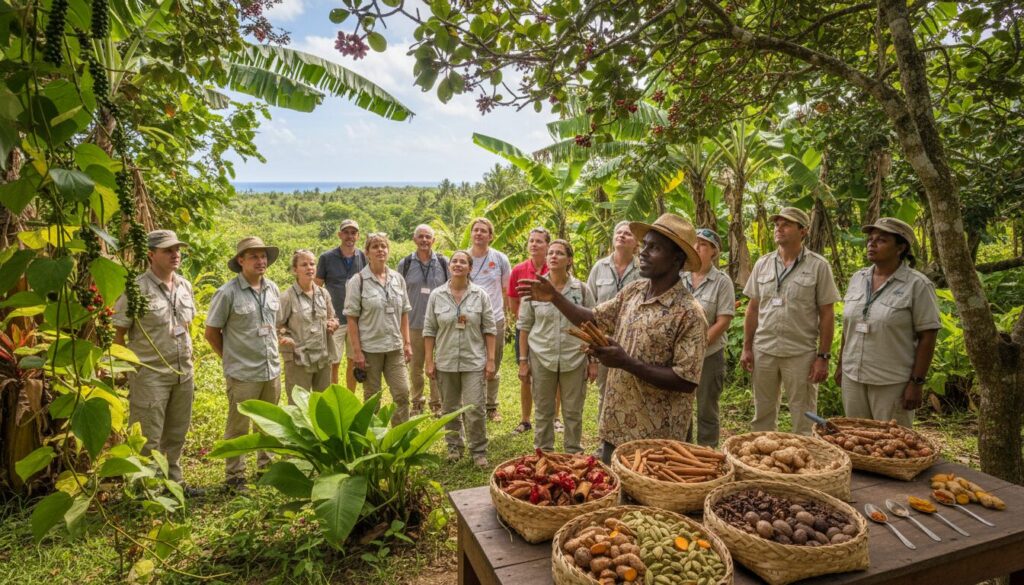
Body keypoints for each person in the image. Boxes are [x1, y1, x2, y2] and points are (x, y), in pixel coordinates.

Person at [518, 213, 708, 464]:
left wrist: (626, 362)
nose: (644, 252)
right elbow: (594, 318)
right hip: (615, 425)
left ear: (676, 259)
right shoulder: (634, 291)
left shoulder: (689, 312)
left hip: (655, 438)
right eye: (645, 245)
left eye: (655, 248)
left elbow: (686, 380)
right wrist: (555, 297)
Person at [740, 207, 840, 435]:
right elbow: (753, 308)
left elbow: (827, 314)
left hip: (800, 353)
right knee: (762, 414)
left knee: (804, 415)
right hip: (764, 350)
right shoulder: (762, 264)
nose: (779, 229)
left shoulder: (818, 266)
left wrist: (823, 357)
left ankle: (805, 462)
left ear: (803, 231)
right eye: (777, 224)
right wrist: (747, 347)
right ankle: (761, 460)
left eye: (786, 224)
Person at [836, 218, 940, 427]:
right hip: (853, 376)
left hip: (891, 382)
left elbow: (927, 337)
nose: (871, 244)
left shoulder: (917, 285)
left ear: (900, 248)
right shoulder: (858, 278)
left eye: (881, 240)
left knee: (891, 444)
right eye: (870, 239)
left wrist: (916, 383)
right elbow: (849, 328)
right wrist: (840, 364)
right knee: (856, 438)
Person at [113, 230, 197, 489]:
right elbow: (119, 334)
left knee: (176, 432)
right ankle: (147, 490)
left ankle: (174, 484)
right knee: (149, 436)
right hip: (150, 375)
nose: (175, 255)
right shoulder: (136, 289)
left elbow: (187, 325)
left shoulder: (184, 285)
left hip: (183, 372)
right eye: (168, 250)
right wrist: (120, 371)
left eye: (177, 250)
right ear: (151, 255)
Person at [205, 236, 282, 489]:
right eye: (254, 257)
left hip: (271, 369)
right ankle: (235, 476)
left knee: (269, 424)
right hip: (242, 373)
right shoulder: (227, 293)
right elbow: (211, 332)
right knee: (238, 427)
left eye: (263, 256)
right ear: (241, 261)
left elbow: (274, 326)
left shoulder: (272, 288)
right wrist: (230, 359)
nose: (261, 261)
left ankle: (266, 469)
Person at [517, 239, 596, 454]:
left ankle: (573, 454)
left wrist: (593, 361)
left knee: (572, 411)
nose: (553, 256)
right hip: (542, 356)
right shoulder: (535, 288)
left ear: (569, 260)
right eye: (550, 252)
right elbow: (524, 327)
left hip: (575, 357)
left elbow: (592, 326)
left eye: (559, 253)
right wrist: (523, 362)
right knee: (543, 410)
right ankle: (543, 454)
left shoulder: (581, 289)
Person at [423, 250, 497, 467]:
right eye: (454, 261)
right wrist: (429, 360)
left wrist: (490, 359)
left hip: (473, 361)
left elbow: (490, 329)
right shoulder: (437, 295)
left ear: (470, 268)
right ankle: (454, 448)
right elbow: (429, 330)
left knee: (475, 407)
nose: (457, 264)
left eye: (462, 262)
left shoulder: (480, 295)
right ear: (449, 266)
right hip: (445, 360)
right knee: (450, 408)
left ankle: (478, 451)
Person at [345, 232, 413, 424]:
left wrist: (407, 343)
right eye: (375, 247)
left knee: (402, 393)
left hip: (394, 348)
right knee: (372, 398)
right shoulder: (358, 282)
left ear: (388, 250)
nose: (380, 250)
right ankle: (375, 441)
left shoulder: (398, 279)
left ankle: (400, 438)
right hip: (370, 350)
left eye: (383, 246)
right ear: (367, 252)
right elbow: (352, 319)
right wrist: (357, 352)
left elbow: (404, 313)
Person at [682, 228, 736, 447]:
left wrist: (699, 345)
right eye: (695, 243)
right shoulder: (679, 276)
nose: (697, 247)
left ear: (714, 251)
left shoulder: (722, 282)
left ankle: (707, 454)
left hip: (709, 356)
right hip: (680, 356)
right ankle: (681, 451)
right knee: (681, 407)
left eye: (703, 244)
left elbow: (723, 320)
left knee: (706, 408)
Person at [587, 220, 642, 420]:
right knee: (605, 391)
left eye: (627, 234)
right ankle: (604, 439)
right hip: (603, 339)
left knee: (632, 390)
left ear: (636, 243)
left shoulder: (643, 270)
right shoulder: (599, 268)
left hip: (633, 340)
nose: (621, 235)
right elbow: (590, 311)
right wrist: (592, 356)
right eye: (618, 232)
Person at [396, 225, 449, 416]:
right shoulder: (406, 264)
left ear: (433, 240)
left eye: (428, 237)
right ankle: (417, 401)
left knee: (439, 363)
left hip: (440, 323)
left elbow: (452, 289)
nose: (424, 240)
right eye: (421, 237)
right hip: (414, 323)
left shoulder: (443, 262)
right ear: (414, 239)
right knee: (415, 366)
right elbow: (398, 293)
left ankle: (437, 403)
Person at [277, 249, 341, 402]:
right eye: (304, 264)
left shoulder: (323, 294)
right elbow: (277, 326)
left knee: (323, 404)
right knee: (299, 407)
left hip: (323, 358)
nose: (309, 268)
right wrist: (284, 337)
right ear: (295, 270)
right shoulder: (287, 297)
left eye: (312, 264)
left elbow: (333, 318)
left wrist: (334, 324)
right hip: (299, 360)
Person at [507, 227, 552, 434]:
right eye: (531, 241)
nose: (534, 244)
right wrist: (525, 321)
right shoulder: (518, 270)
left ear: (547, 245)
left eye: (539, 241)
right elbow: (513, 301)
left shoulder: (554, 269)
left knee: (554, 372)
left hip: (549, 329)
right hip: (525, 329)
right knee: (525, 374)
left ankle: (556, 418)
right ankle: (525, 419)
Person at [466, 217, 512, 422]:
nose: (478, 233)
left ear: (490, 236)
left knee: (494, 362)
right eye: (475, 230)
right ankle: (469, 405)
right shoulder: (462, 257)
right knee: (470, 362)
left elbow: (506, 290)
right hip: (467, 320)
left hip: (494, 318)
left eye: (483, 231)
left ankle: (491, 406)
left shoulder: (500, 259)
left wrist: (507, 316)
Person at [316, 219, 367, 389]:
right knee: (333, 362)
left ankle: (349, 400)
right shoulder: (327, 258)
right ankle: (334, 399)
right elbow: (317, 287)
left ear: (358, 236)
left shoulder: (364, 257)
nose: (349, 236)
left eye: (353, 233)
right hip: (335, 319)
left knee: (354, 361)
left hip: (356, 319)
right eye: (346, 232)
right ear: (340, 235)